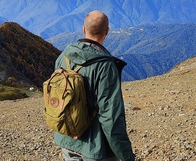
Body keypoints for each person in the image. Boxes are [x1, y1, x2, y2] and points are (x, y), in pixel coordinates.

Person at [53, 10, 135, 161]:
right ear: (107, 31)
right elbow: (111, 118)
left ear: (84, 29)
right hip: (94, 149)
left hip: (67, 140)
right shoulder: (106, 66)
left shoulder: (63, 57)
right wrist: (126, 156)